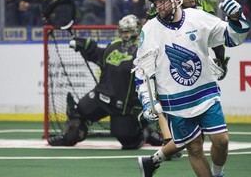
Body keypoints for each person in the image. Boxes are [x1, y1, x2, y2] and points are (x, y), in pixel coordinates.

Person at [134, 0, 251, 177]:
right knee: (194, 148)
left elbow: (232, 37)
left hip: (206, 93)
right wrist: (147, 99)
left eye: (163, 1)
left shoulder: (198, 18)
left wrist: (237, 18)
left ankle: (218, 176)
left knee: (222, 141)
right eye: (156, 2)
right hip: (175, 102)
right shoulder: (149, 29)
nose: (159, 6)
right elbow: (142, 72)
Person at [48, 14, 164, 150]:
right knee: (78, 113)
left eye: (128, 31)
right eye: (123, 31)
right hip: (102, 96)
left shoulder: (144, 49)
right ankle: (69, 138)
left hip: (125, 107)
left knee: (129, 142)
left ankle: (146, 133)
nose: (125, 34)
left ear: (137, 29)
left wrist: (140, 107)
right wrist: (85, 45)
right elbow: (100, 55)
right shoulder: (114, 45)